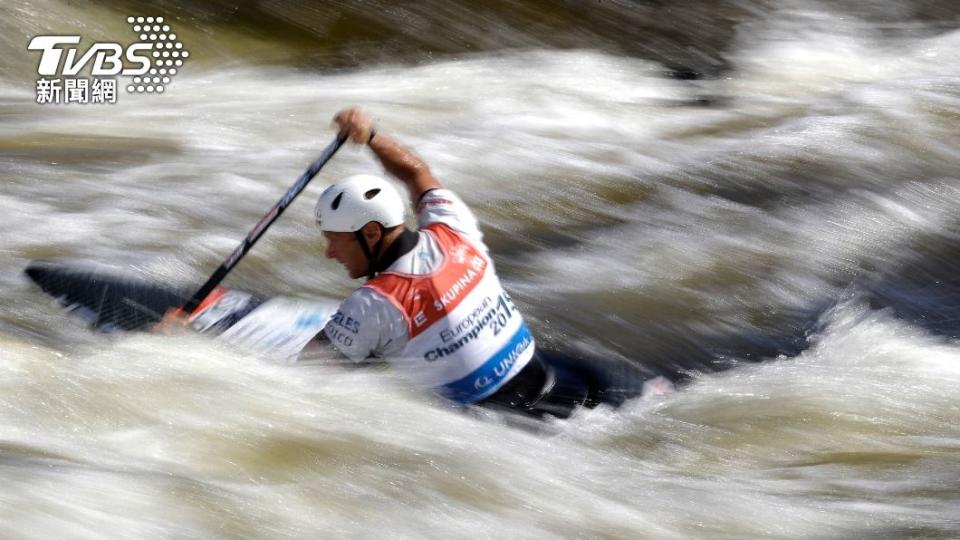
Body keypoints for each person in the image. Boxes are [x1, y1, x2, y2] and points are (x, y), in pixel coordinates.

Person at [317, 108, 594, 418]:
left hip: (501, 426)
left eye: (334, 240)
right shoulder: (453, 225)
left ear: (370, 232)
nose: (330, 253)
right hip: (555, 386)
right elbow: (415, 172)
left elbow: (307, 374)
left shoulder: (375, 304)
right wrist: (370, 136)